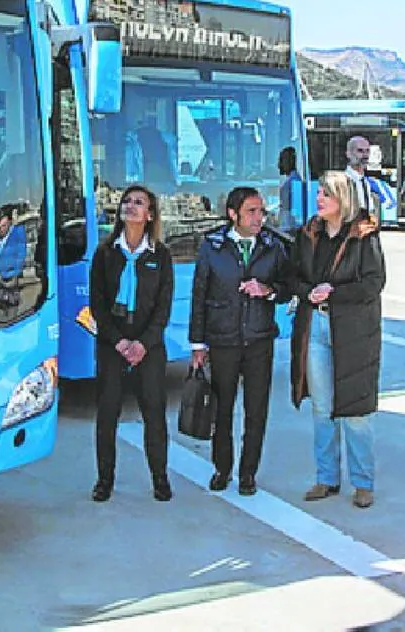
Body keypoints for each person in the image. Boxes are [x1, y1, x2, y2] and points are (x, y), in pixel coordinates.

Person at [289, 171, 385, 509]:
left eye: (326, 194)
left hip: (354, 330)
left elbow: (374, 283)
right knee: (322, 407)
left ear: (342, 199)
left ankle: (363, 482)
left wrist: (335, 292)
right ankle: (326, 478)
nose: (319, 199)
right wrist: (308, 292)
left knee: (356, 408)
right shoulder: (308, 233)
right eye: (318, 192)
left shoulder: (364, 234)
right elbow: (294, 278)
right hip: (315, 325)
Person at [190, 187, 292, 496]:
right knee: (222, 409)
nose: (259, 217)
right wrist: (198, 343)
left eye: (261, 211)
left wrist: (268, 290)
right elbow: (199, 295)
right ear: (233, 214)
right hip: (223, 339)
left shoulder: (273, 246)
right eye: (251, 211)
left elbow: (288, 286)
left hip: (259, 338)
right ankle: (222, 468)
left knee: (256, 410)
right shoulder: (213, 246)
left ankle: (248, 473)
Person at [89, 185, 175, 503]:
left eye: (139, 203)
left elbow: (163, 308)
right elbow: (97, 305)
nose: (131, 206)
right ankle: (104, 480)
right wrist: (120, 341)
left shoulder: (161, 256)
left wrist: (143, 344)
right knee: (107, 414)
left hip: (148, 348)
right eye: (127, 201)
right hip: (113, 345)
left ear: (150, 214)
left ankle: (160, 479)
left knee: (154, 414)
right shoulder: (105, 253)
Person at [277, 146, 305, 232]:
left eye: (282, 160)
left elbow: (296, 210)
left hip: (289, 228)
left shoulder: (295, 181)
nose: (279, 164)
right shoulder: (290, 180)